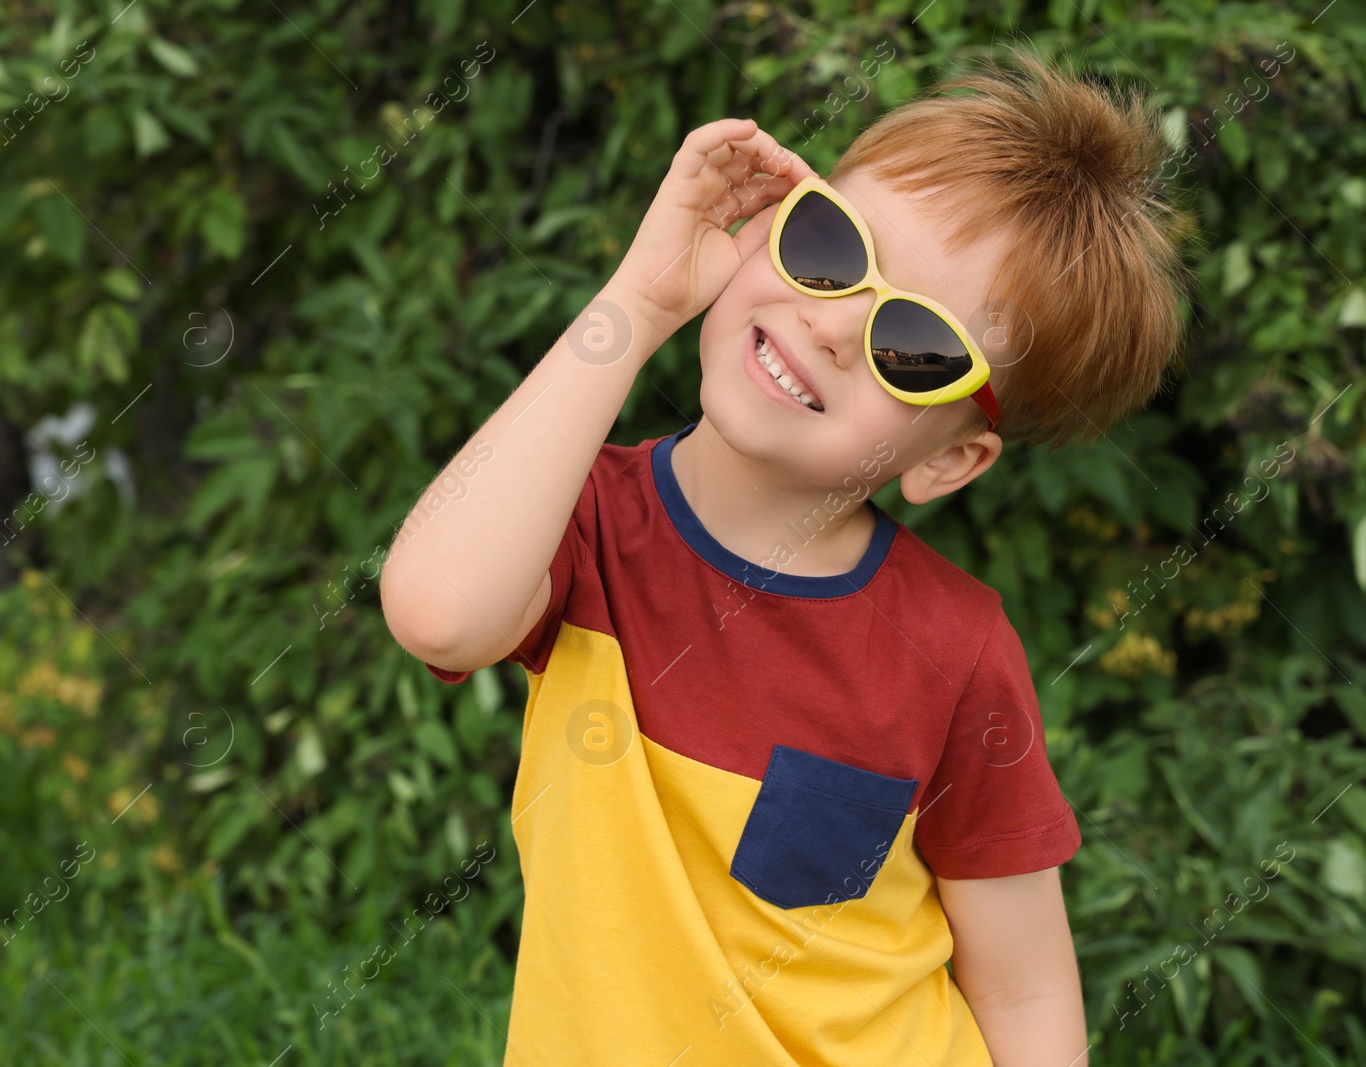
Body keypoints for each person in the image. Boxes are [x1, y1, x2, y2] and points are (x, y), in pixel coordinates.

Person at [380, 45, 1185, 1067]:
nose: (833, 321)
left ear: (954, 459)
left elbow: (1023, 985)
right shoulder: (588, 524)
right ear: (765, 221)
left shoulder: (955, 648)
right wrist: (643, 296)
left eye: (917, 346)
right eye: (828, 242)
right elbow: (437, 610)